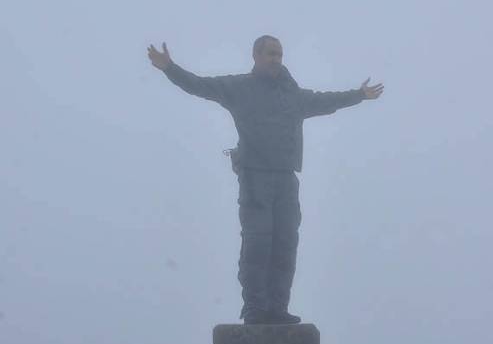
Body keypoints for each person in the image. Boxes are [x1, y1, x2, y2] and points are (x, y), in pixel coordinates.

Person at [147, 35, 383, 324]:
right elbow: (199, 85)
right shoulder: (239, 88)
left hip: (286, 179)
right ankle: (255, 309)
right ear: (256, 55)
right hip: (255, 177)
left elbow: (326, 100)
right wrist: (169, 67)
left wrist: (359, 95)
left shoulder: (293, 96)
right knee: (258, 244)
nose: (276, 59)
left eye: (280, 54)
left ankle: (278, 309)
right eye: (271, 53)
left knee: (285, 245)